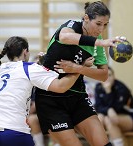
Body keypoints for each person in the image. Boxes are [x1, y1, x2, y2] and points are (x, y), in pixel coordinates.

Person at [35, 1, 125, 146]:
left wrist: (78, 68)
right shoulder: (71, 26)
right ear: (86, 18)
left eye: (105, 25)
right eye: (98, 23)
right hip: (51, 99)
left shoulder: (98, 41)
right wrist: (100, 43)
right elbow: (65, 37)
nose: (101, 29)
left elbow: (103, 75)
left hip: (77, 97)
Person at [0, 36, 80, 146]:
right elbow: (61, 86)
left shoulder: (0, 69)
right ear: (25, 52)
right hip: (14, 129)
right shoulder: (30, 67)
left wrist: (41, 67)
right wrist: (79, 69)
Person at [94, 66, 133, 146]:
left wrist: (108, 92)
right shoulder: (98, 87)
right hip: (110, 119)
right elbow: (98, 106)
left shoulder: (121, 88)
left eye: (110, 75)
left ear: (114, 76)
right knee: (99, 118)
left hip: (128, 117)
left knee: (109, 120)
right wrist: (108, 110)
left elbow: (118, 108)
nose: (107, 78)